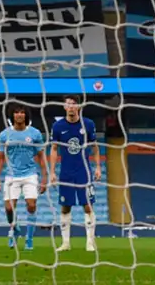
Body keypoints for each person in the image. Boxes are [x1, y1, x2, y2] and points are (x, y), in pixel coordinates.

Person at [50, 95, 101, 252]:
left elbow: (95, 147)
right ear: (64, 107)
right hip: (66, 172)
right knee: (65, 207)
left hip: (83, 172)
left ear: (78, 106)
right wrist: (52, 172)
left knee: (88, 206)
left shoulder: (88, 124)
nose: (71, 107)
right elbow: (53, 149)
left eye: (74, 104)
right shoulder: (58, 126)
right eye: (68, 104)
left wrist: (98, 167)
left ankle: (90, 243)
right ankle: (66, 243)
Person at [0, 104, 47, 251]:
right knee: (9, 209)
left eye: (22, 112)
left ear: (26, 116)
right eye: (16, 112)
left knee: (31, 205)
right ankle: (14, 229)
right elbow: (0, 158)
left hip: (30, 174)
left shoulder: (35, 134)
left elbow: (42, 157)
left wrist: (44, 178)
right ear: (12, 116)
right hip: (11, 176)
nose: (19, 115)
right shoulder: (4, 135)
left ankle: (29, 240)